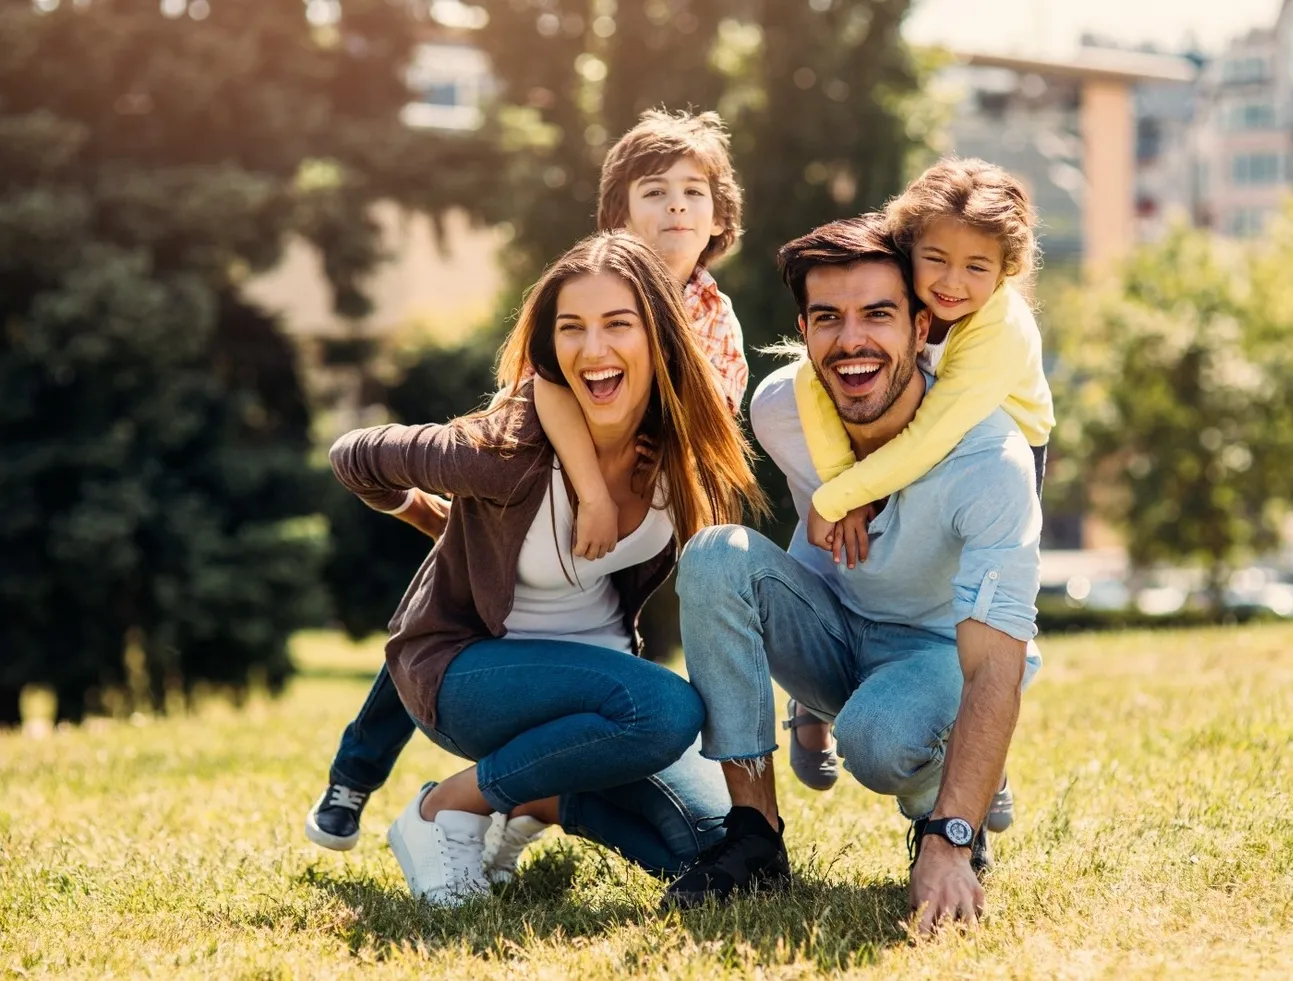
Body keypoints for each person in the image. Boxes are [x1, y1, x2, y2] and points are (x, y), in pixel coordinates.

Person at [304, 108, 752, 851]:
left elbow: (712, 424)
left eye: (694, 192)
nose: (677, 205)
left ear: (719, 216)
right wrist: (585, 487)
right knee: (446, 587)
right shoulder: (582, 301)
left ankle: (531, 801)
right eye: (655, 191)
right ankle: (378, 781)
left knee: (705, 841)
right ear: (616, 220)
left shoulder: (713, 319)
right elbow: (547, 384)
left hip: (594, 610)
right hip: (517, 525)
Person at [663, 216, 1042, 933]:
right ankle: (753, 837)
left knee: (878, 736)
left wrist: (950, 837)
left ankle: (950, 795)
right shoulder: (780, 410)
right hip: (836, 633)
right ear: (803, 329)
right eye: (828, 318)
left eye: (878, 314)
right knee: (715, 552)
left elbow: (996, 664)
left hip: (940, 654)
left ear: (923, 325)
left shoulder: (990, 458)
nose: (852, 341)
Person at [784, 159, 1054, 820]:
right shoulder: (900, 290)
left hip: (986, 450)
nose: (952, 284)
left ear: (1006, 272)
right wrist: (843, 487)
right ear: (908, 251)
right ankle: (811, 697)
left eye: (976, 268)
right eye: (935, 259)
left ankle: (969, 749)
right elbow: (806, 382)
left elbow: (934, 436)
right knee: (836, 562)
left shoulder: (998, 330)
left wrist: (836, 497)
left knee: (961, 609)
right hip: (904, 439)